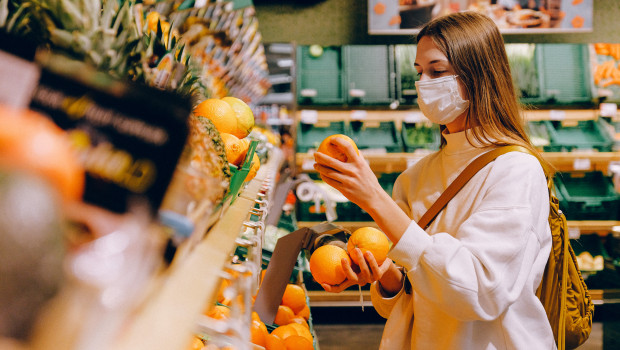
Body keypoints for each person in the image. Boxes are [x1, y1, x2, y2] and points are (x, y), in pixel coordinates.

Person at [313, 11, 556, 349]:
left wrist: (373, 197)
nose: (424, 83)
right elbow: (406, 295)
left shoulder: (515, 170)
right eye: (419, 72)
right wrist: (381, 274)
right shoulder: (416, 176)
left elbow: (478, 293)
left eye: (437, 71)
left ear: (479, 75)